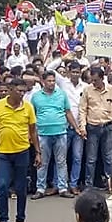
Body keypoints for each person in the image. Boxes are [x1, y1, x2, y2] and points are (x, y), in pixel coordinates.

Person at [0, 78, 41, 222]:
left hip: (22, 152)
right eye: (19, 91)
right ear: (10, 89)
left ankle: (20, 220)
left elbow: (33, 131)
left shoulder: (28, 107)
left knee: (21, 188)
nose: (22, 94)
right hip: (3, 153)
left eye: (24, 91)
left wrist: (38, 152)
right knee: (2, 186)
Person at [30, 71, 81, 199]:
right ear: (43, 81)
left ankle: (63, 188)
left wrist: (76, 128)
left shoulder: (62, 94)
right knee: (42, 162)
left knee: (61, 162)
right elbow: (31, 117)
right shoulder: (36, 97)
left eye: (53, 81)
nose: (52, 83)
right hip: (43, 134)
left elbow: (68, 112)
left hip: (60, 133)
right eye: (49, 81)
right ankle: (40, 188)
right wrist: (30, 134)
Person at [79, 65, 112, 188]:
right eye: (92, 80)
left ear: (102, 78)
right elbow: (82, 109)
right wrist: (83, 127)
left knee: (109, 158)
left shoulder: (111, 90)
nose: (93, 82)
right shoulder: (87, 90)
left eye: (96, 80)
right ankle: (89, 185)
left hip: (108, 127)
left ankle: (110, 184)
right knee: (91, 159)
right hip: (93, 127)